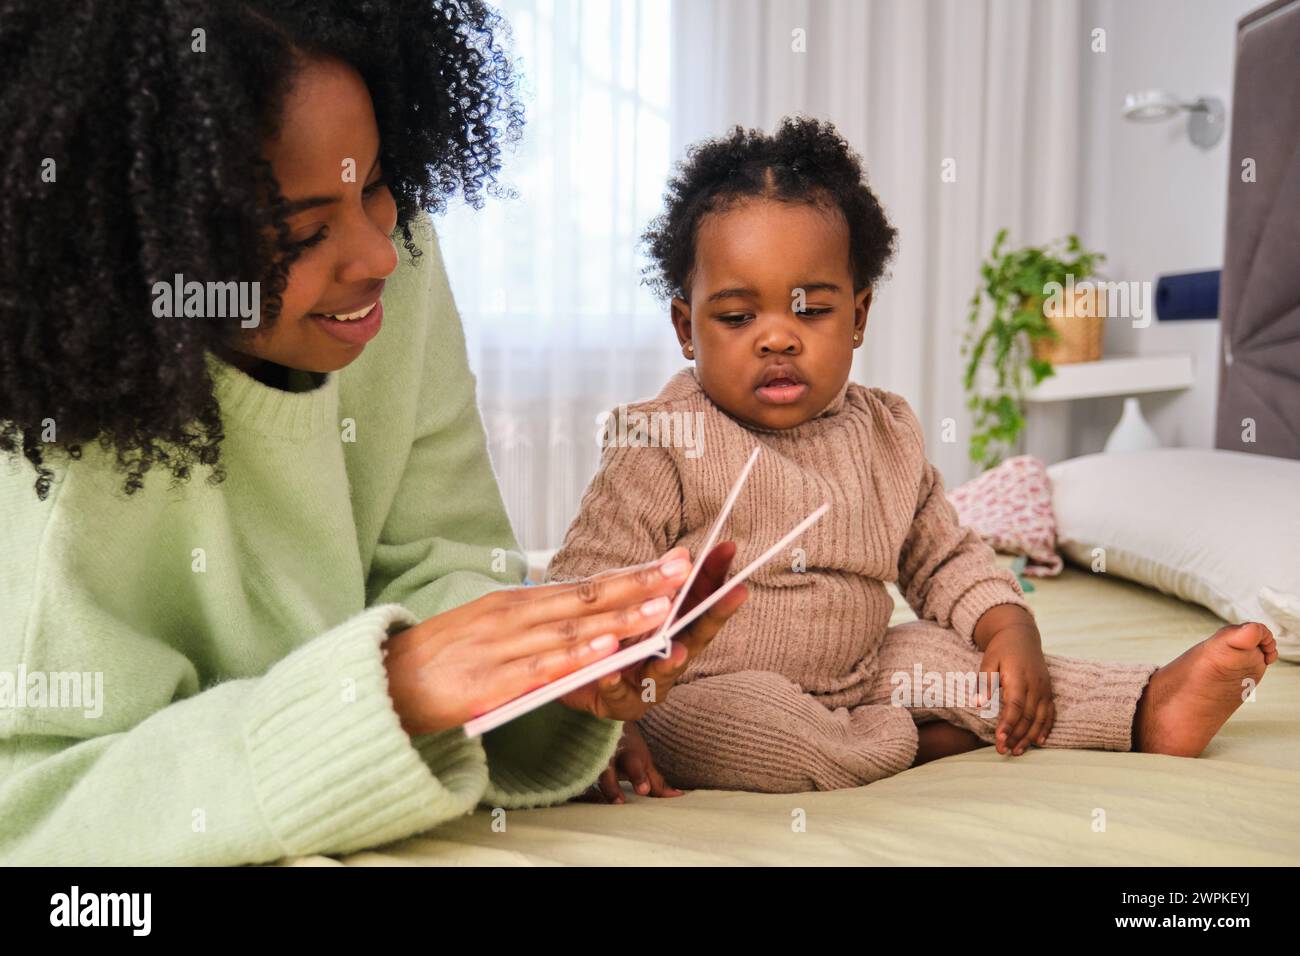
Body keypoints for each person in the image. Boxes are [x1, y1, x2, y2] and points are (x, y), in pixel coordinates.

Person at [0, 0, 745, 864]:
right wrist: (388, 690)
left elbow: (437, 557)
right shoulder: (62, 429)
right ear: (154, 250)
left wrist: (549, 675)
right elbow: (35, 811)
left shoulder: (398, 272)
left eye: (378, 185)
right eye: (306, 230)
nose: (378, 255)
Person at [549, 116, 1279, 796]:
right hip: (704, 688)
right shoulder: (661, 443)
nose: (777, 337)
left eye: (812, 309)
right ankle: (913, 746)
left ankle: (1144, 707)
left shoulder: (886, 434)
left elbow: (944, 557)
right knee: (750, 726)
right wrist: (612, 719)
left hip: (866, 669)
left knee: (962, 664)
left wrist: (1008, 628)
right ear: (687, 327)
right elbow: (584, 591)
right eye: (739, 317)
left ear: (858, 316)